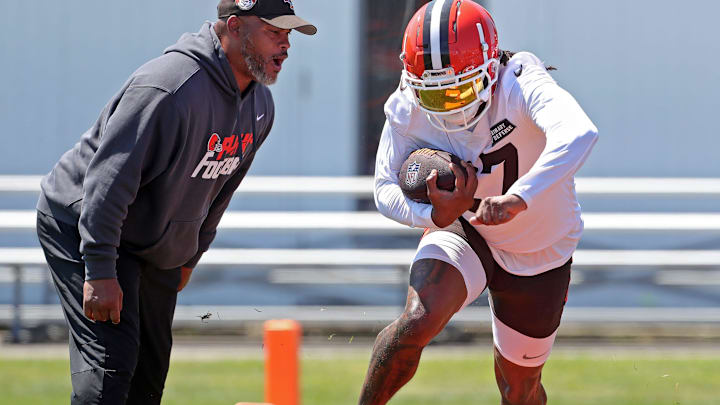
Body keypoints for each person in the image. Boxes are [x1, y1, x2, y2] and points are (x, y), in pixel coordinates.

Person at [35, 1, 316, 404]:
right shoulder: (169, 87)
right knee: (111, 369)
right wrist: (99, 268)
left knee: (149, 376)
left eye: (289, 35)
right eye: (275, 32)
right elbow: (108, 182)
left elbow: (217, 192)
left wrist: (190, 256)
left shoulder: (260, 108)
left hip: (150, 235)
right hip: (85, 221)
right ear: (234, 26)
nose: (286, 45)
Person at [359, 1, 597, 404]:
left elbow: (579, 133)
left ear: (490, 69)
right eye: (435, 96)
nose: (450, 106)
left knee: (519, 390)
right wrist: (432, 214)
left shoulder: (520, 79)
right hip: (465, 227)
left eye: (459, 89)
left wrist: (520, 198)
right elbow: (383, 187)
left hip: (536, 244)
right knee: (418, 321)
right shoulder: (406, 102)